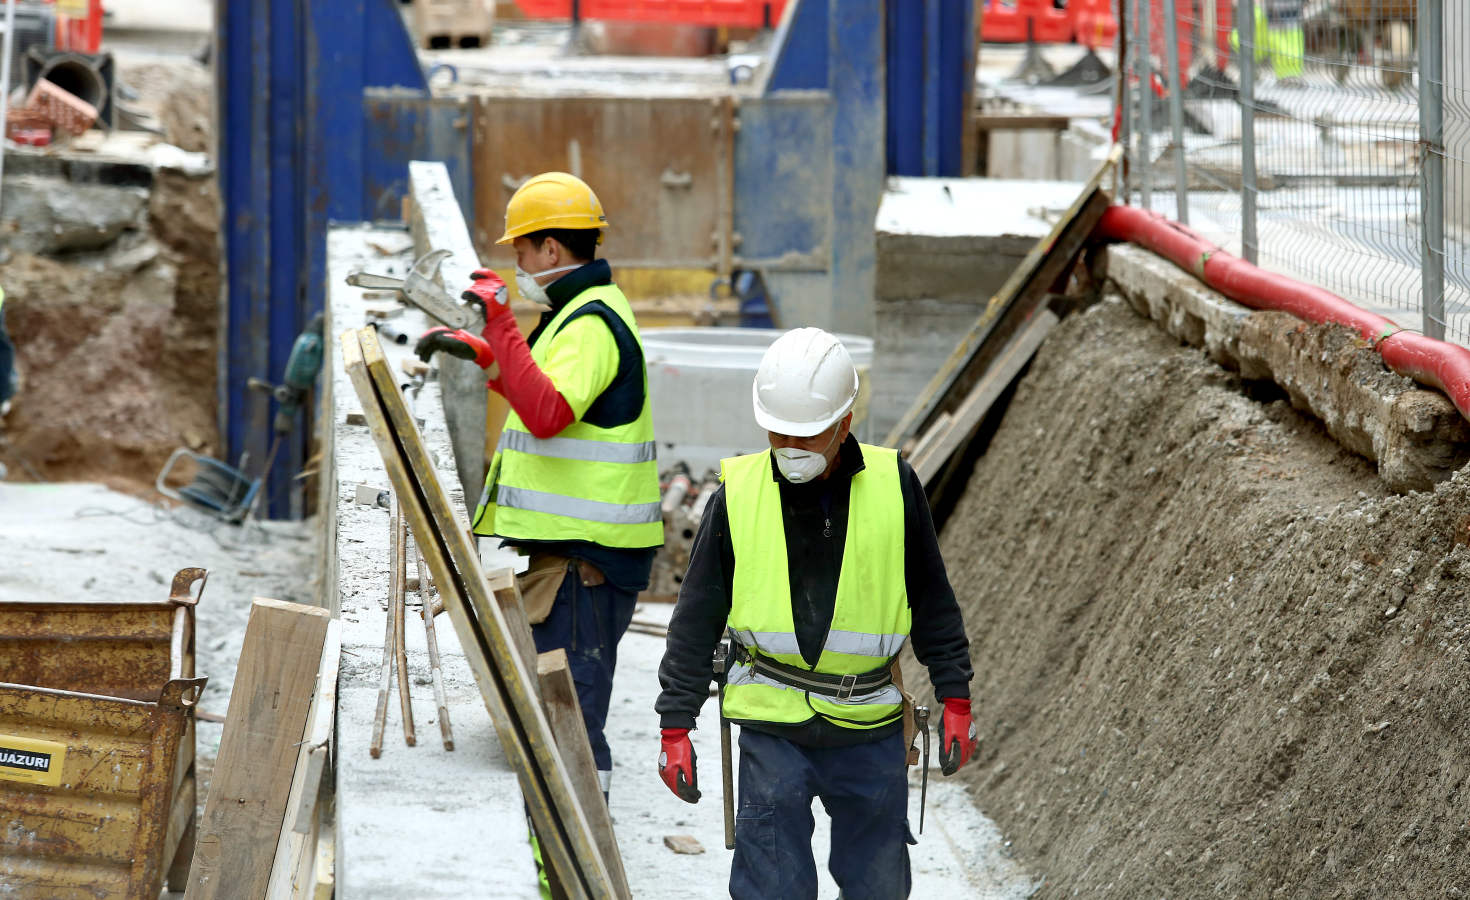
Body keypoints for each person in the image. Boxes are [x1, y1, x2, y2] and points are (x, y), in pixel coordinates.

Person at [654, 327, 977, 899]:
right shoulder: (739, 493)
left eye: (808, 433)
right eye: (778, 431)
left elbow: (932, 598)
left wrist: (955, 697)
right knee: (773, 887)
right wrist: (675, 724)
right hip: (770, 722)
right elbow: (697, 614)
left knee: (878, 886)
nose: (790, 446)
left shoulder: (894, 486)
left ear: (845, 424)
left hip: (869, 723)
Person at [414, 172, 661, 797]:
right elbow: (541, 395)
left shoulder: (591, 323)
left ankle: (581, 848)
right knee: (565, 711)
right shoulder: (573, 314)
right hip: (579, 552)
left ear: (552, 249)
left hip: (588, 557)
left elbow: (548, 413)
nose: (516, 260)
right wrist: (490, 356)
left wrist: (499, 320)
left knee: (571, 722)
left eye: (521, 247)